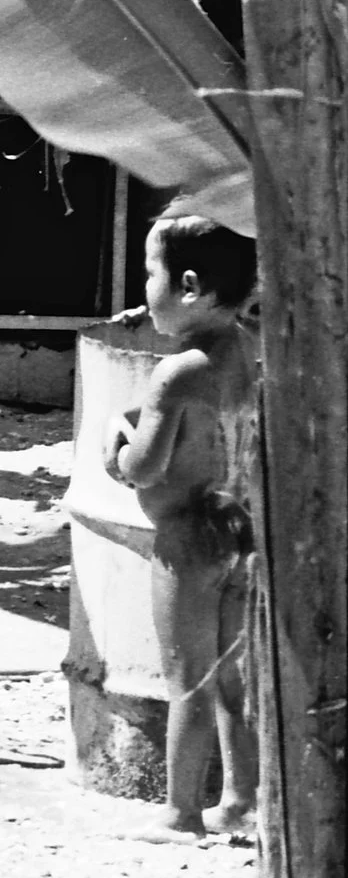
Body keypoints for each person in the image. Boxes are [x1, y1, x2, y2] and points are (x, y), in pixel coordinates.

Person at [108, 213, 260, 838]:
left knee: (186, 680)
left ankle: (181, 812)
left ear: (189, 286)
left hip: (186, 540)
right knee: (232, 677)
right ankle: (242, 800)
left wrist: (117, 447)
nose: (143, 289)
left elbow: (145, 468)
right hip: (241, 534)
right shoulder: (248, 350)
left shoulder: (175, 374)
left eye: (149, 274)